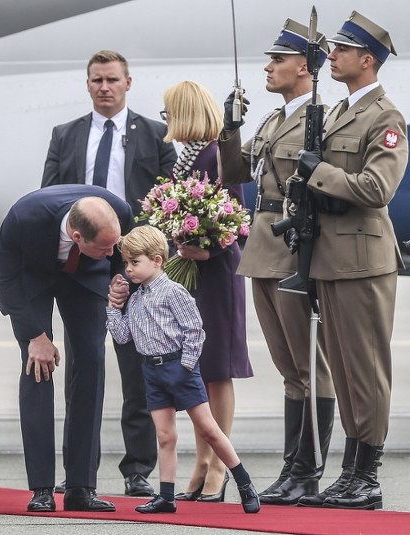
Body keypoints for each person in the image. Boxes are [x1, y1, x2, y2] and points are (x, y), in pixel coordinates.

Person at [41, 49, 177, 498]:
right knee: (83, 369)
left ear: (128, 83)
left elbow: (170, 202)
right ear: (88, 84)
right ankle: (79, 470)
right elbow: (49, 197)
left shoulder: (155, 135)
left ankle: (138, 468)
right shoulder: (66, 135)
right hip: (82, 266)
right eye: (97, 80)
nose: (104, 87)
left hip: (135, 262)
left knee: (139, 368)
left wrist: (151, 261)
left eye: (112, 79)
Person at [293, 11, 408, 510]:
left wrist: (318, 172)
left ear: (367, 60)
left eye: (342, 49)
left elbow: (377, 189)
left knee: (366, 370)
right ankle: (350, 473)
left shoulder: (385, 117)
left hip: (363, 260)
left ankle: (367, 477)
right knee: (343, 372)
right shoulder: (340, 110)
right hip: (331, 258)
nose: (331, 55)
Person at [218, 19, 335, 506]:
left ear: (304, 67)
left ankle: (307, 471)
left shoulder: (321, 119)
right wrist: (230, 128)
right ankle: (293, 468)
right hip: (264, 249)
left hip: (295, 249)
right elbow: (234, 173)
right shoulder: (271, 120)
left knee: (310, 366)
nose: (268, 67)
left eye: (278, 59)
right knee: (289, 368)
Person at [0, 186, 132, 513]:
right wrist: (35, 335)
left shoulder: (119, 212)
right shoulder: (25, 217)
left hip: (87, 277)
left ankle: (81, 486)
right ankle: (41, 488)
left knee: (91, 364)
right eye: (105, 247)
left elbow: (121, 257)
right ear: (78, 236)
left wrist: (119, 278)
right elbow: (3, 276)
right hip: (32, 278)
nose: (111, 251)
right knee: (37, 368)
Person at [106, 225, 260, 514]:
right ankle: (166, 496)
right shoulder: (136, 299)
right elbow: (123, 335)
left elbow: (195, 330)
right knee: (165, 436)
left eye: (135, 262)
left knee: (209, 429)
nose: (129, 269)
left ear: (157, 260)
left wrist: (187, 365)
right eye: (126, 263)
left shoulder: (174, 292)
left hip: (178, 368)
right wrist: (115, 307)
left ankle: (244, 482)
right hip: (152, 372)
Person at [159, 80, 253, 503]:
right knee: (197, 369)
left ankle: (218, 465)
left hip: (217, 274)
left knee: (217, 369)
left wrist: (208, 247)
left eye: (169, 112)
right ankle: (201, 462)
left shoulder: (216, 153)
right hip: (193, 274)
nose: (167, 120)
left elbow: (236, 219)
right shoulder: (190, 155)